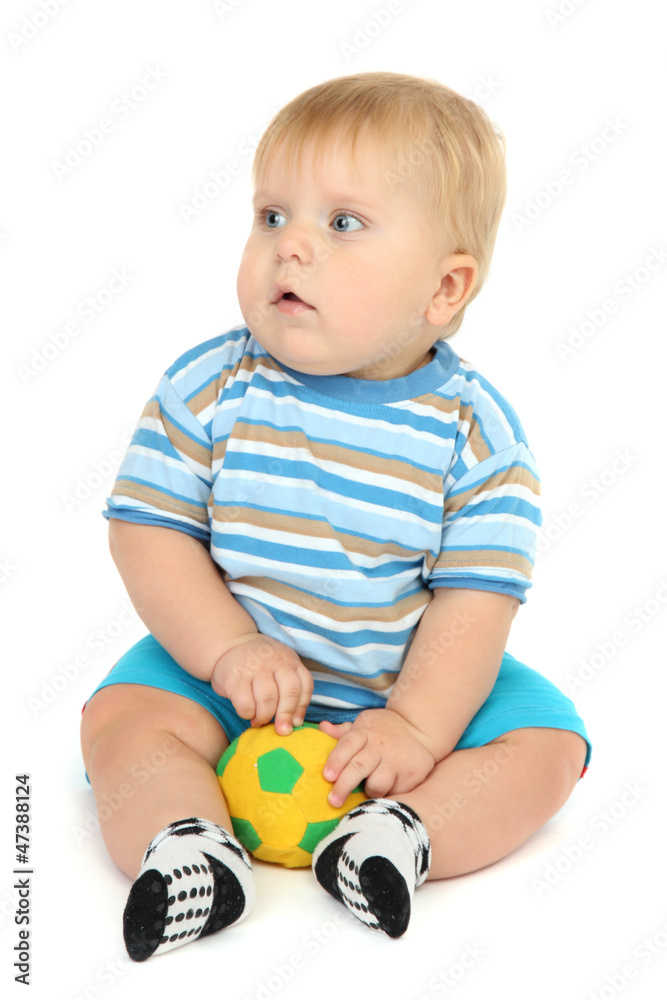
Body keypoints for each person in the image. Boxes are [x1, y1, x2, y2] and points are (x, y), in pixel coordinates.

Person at [80, 71, 591, 962]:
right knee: (121, 717)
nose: (291, 246)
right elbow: (147, 532)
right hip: (223, 668)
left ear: (444, 289)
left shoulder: (476, 438)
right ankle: (188, 848)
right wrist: (227, 650)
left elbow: (475, 607)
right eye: (271, 215)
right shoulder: (209, 387)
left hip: (409, 682)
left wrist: (417, 727)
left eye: (343, 223)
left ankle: (395, 838)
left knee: (548, 745)